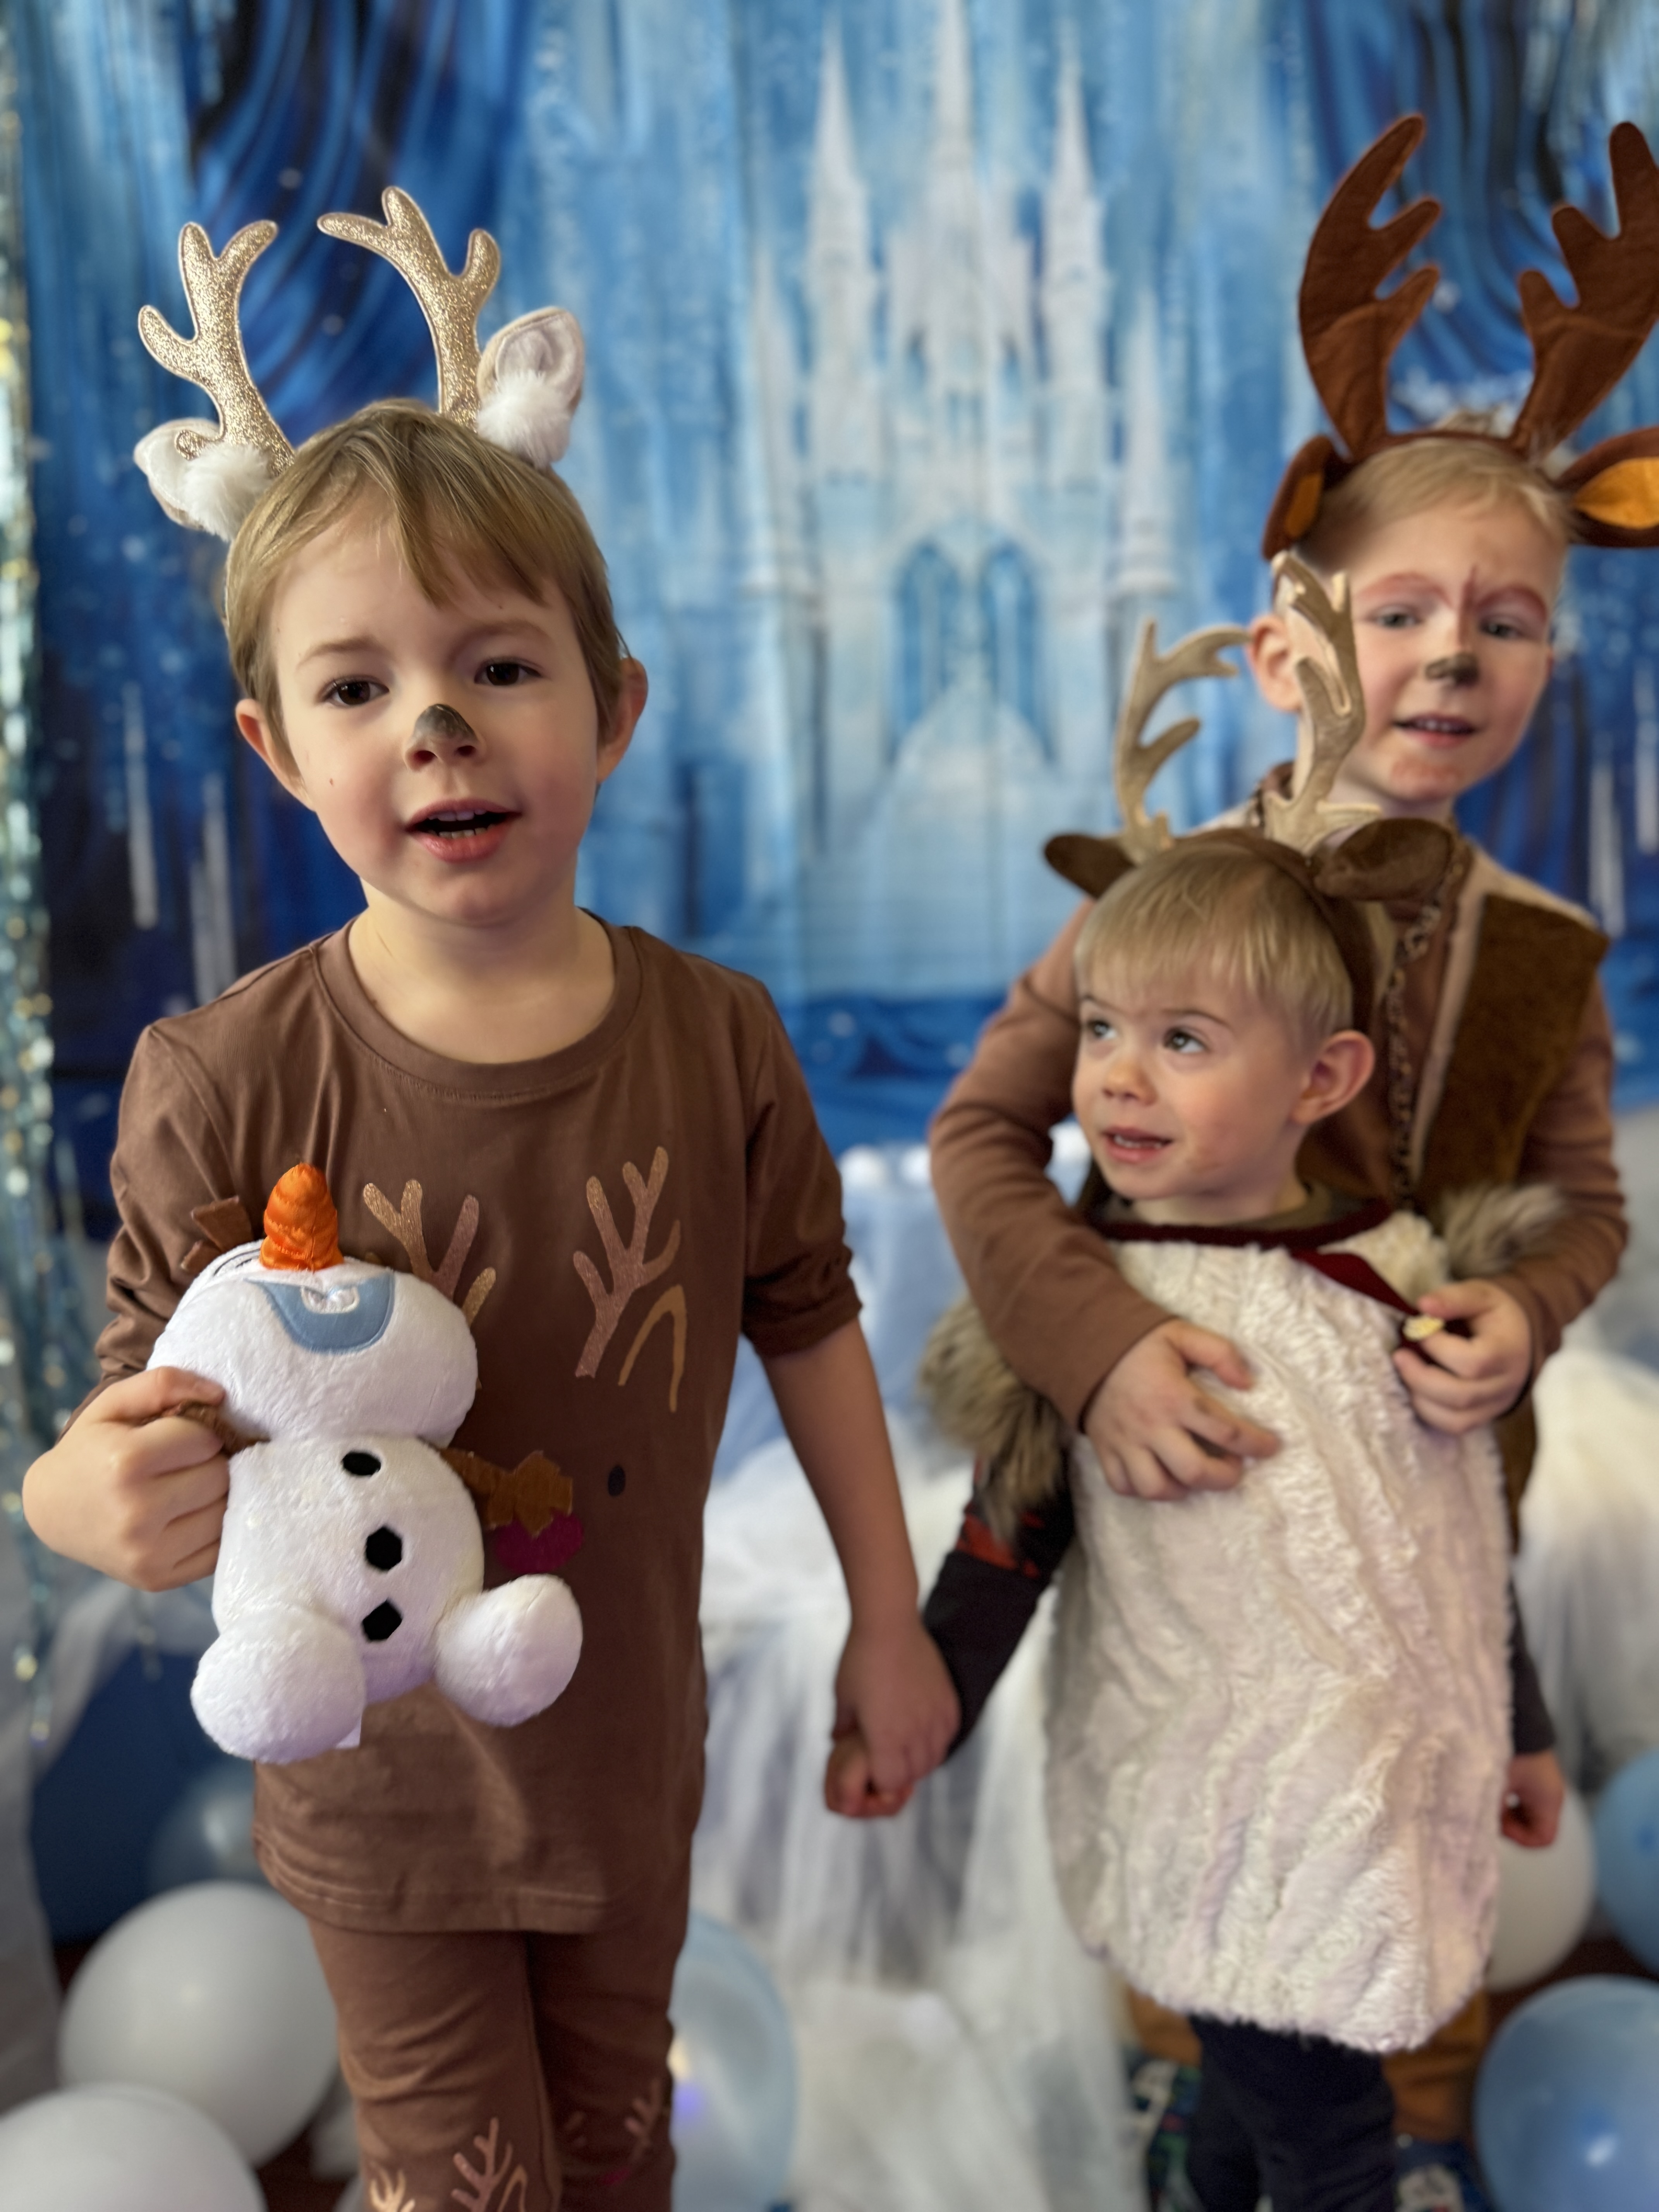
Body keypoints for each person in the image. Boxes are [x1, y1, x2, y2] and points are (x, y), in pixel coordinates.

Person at [21, 197, 957, 2212]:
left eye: (498, 666)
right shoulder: (225, 1078)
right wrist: (74, 1496)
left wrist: (889, 1621)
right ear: (278, 751)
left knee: (618, 2161)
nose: (435, 726)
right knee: (469, 2187)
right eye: (358, 687)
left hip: (622, 1765)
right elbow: (135, 1413)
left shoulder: (716, 1040)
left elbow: (810, 1325)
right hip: (380, 1801)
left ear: (611, 708)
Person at [928, 113, 1659, 2160]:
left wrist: (1525, 1310)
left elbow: (1584, 1210)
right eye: (1399, 610)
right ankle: (1264, 2153)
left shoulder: (1542, 952)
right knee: (1232, 1914)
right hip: (1182, 1480)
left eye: (1503, 621)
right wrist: (1096, 1351)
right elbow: (984, 1140)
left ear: (1547, 656)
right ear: (1287, 641)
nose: (1448, 656)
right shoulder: (1155, 902)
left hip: (1409, 1520)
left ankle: (1245, 2155)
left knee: (1362, 1922)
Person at [832, 816, 1567, 2212]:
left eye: (1181, 1040)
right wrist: (921, 1708)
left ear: (1320, 1078)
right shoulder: (1093, 1313)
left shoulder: (1393, 1274)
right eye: (1102, 1028)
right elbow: (1005, 1540)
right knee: (1332, 2138)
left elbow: (1454, 1543)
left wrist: (1519, 1727)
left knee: (1257, 2086)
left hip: (1373, 1796)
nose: (1118, 1072)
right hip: (1212, 1808)